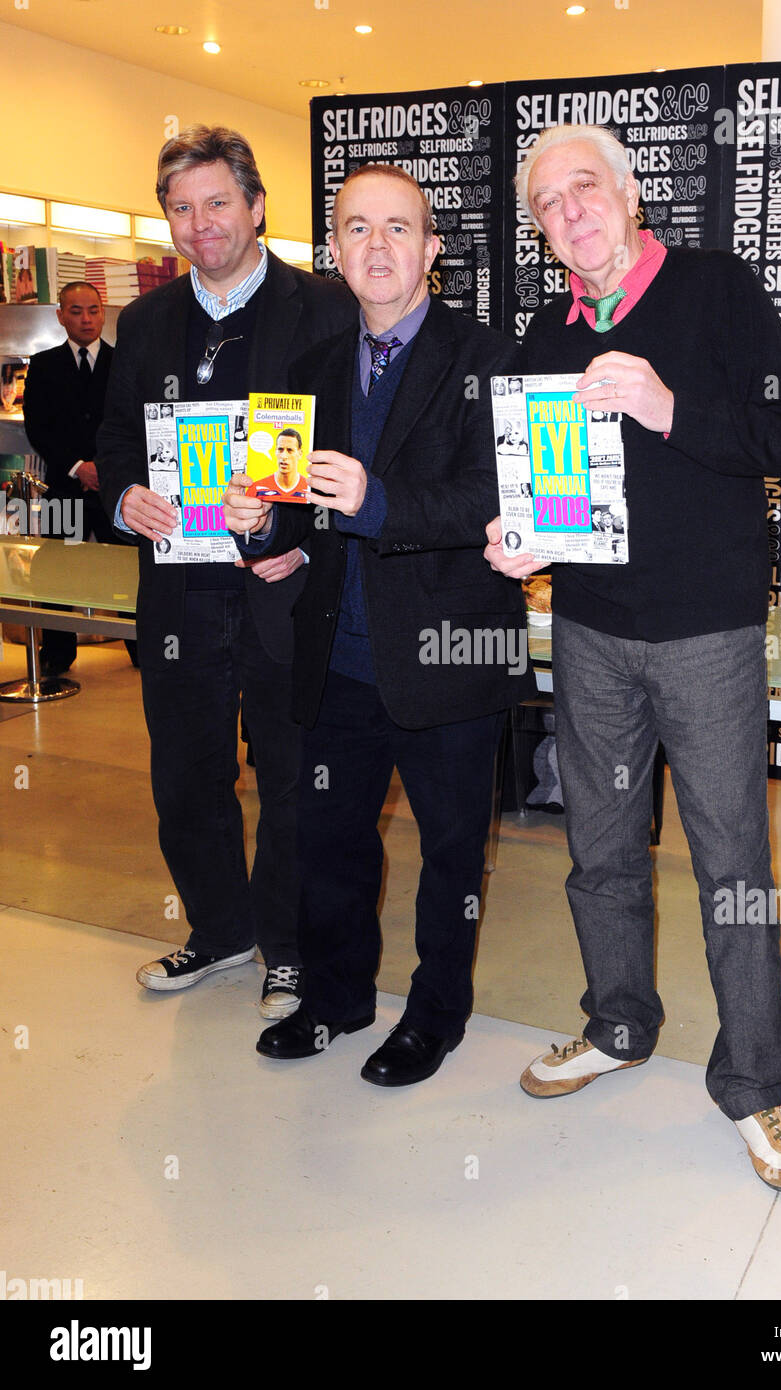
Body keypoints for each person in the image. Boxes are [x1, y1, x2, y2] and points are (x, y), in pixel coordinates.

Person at [485, 123, 781, 1192]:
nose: (569, 210)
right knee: (598, 848)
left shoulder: (717, 290)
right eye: (548, 202)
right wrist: (523, 542)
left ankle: (754, 1085)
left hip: (707, 635)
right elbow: (551, 485)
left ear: (630, 195)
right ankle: (619, 1023)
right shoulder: (546, 329)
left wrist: (666, 405)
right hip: (589, 627)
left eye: (585, 187)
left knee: (732, 866)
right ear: (539, 230)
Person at [223, 163, 533, 1086]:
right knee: (330, 843)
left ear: (433, 250)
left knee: (449, 855)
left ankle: (436, 1015)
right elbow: (289, 511)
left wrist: (378, 501)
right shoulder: (309, 370)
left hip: (449, 655)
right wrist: (254, 523)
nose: (378, 246)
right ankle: (337, 997)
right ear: (334, 251)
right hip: (337, 657)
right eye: (358, 228)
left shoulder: (490, 360)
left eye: (400, 228)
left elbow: (498, 495)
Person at [97, 125, 356, 1020]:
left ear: (255, 206)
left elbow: (354, 446)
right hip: (178, 590)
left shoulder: (326, 309)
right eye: (180, 208)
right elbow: (116, 440)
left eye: (217, 203)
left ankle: (288, 951)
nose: (200, 224)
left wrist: (307, 534)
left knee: (290, 773)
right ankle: (219, 930)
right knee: (185, 771)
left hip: (283, 585)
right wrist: (127, 490)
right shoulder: (144, 322)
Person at [22, 281, 138, 676]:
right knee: (58, 571)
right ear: (60, 315)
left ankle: (141, 650)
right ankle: (57, 654)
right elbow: (37, 427)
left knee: (126, 569)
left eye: (93, 310)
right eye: (76, 311)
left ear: (103, 313)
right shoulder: (43, 365)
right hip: (64, 487)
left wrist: (105, 467)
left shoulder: (124, 362)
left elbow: (132, 424)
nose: (86, 319)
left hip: (115, 488)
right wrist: (77, 466)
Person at [246, 428, 306, 499]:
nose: (284, 456)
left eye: (290, 450)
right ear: (275, 451)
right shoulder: (257, 488)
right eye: (280, 449)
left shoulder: (308, 488)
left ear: (300, 454)